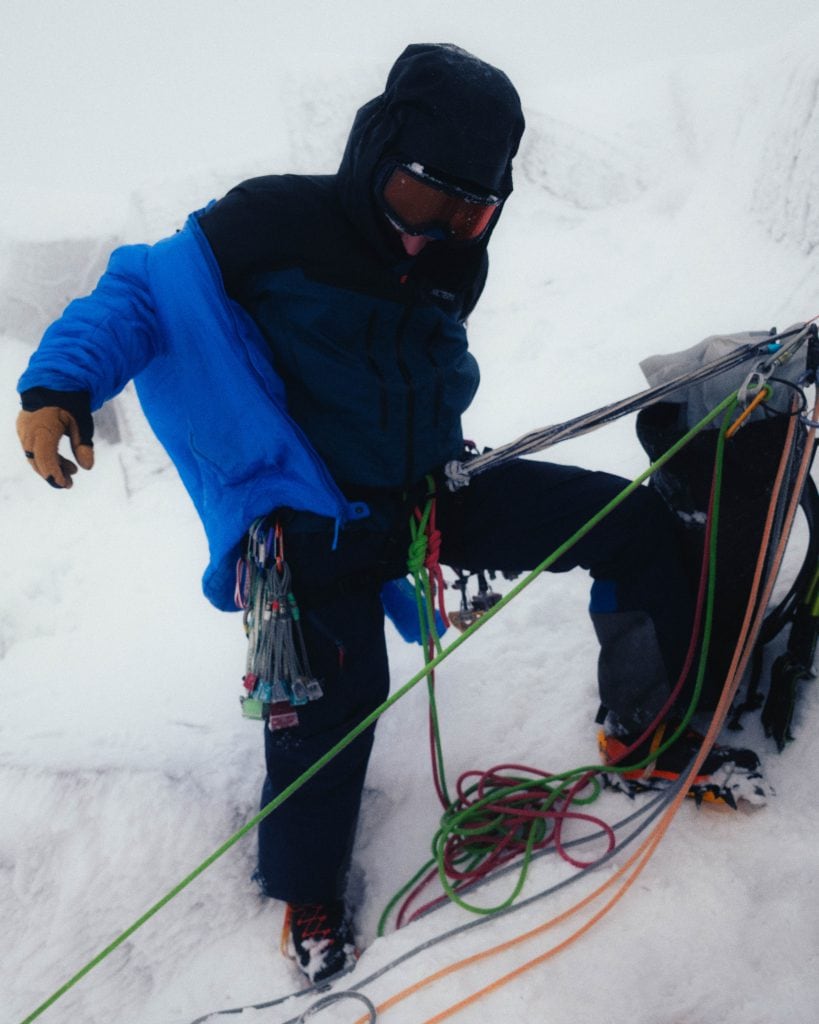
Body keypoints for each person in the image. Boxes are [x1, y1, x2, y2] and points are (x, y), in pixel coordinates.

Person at [16, 43, 706, 984]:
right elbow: (142, 290)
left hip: (429, 495)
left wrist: (432, 443)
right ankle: (306, 891)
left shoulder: (455, 257)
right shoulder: (274, 220)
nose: (430, 235)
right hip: (316, 525)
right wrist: (60, 385)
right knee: (332, 707)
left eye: (466, 213)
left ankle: (649, 729)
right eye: (418, 200)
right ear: (375, 152)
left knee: (624, 523)